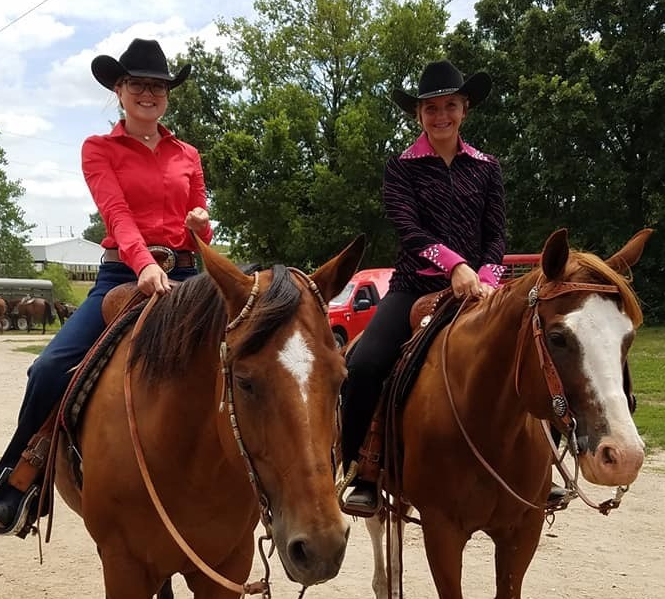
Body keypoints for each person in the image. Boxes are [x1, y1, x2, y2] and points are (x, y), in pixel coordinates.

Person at [0, 38, 213, 536]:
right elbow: (116, 213)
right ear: (119, 90)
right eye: (138, 84)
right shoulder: (99, 149)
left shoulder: (188, 153)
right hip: (123, 274)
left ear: (167, 95)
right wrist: (142, 264)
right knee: (51, 366)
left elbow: (198, 227)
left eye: (158, 86)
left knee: (251, 357)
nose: (149, 93)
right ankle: (19, 477)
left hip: (186, 274)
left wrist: (200, 226)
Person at [340, 59, 507, 514]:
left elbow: (496, 234)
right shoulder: (401, 168)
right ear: (419, 115)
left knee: (532, 347)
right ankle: (360, 469)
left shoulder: (487, 167)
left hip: (481, 289)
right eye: (430, 108)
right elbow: (408, 230)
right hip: (414, 287)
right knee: (366, 364)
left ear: (464, 109)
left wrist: (488, 276)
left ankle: (543, 461)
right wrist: (454, 265)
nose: (441, 116)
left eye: (449, 106)